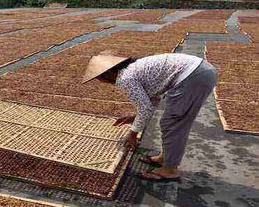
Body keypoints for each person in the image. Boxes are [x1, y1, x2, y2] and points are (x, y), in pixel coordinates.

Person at [82, 52, 218, 182]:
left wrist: (133, 134)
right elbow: (151, 101)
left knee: (173, 124)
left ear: (109, 73)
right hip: (199, 71)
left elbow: (146, 108)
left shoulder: (125, 78)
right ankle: (165, 159)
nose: (101, 82)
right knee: (170, 122)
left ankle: (170, 170)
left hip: (193, 76)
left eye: (100, 78)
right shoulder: (132, 69)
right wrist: (135, 118)